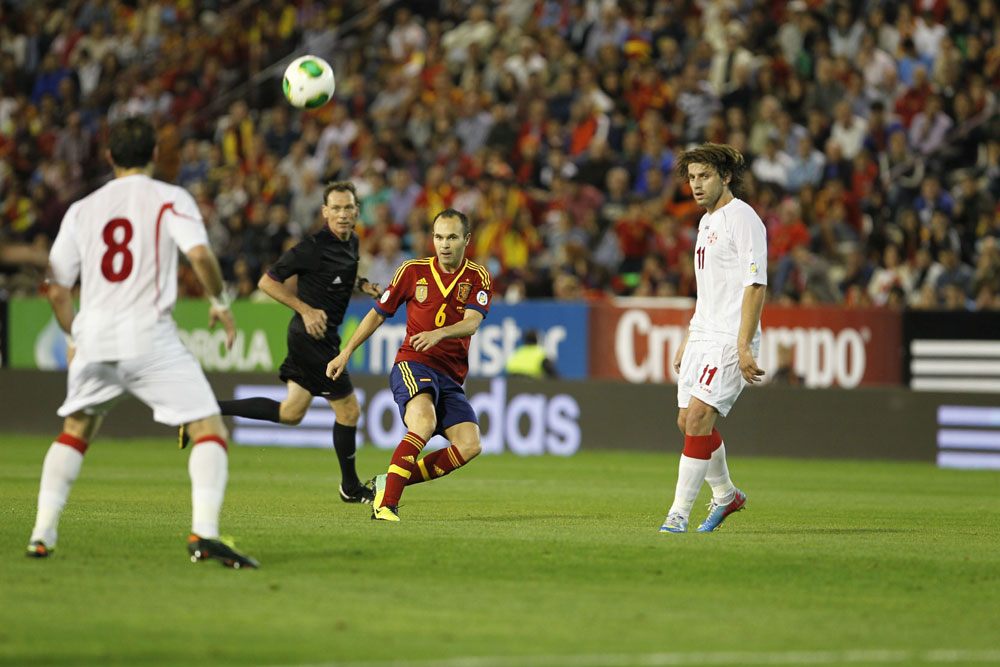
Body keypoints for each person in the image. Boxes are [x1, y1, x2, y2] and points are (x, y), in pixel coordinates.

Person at [26, 117, 257, 568]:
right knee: (209, 429)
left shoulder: (82, 209)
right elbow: (199, 254)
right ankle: (204, 533)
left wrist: (72, 336)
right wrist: (220, 301)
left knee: (75, 431)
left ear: (110, 156)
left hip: (93, 338)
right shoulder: (170, 198)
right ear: (154, 154)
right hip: (149, 336)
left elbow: (55, 288)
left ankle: (41, 534)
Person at [180, 181, 383, 504]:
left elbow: (340, 274)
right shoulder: (312, 246)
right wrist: (305, 309)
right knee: (349, 410)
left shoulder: (352, 241)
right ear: (325, 211)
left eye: (348, 207)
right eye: (336, 208)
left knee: (291, 412)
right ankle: (351, 487)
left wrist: (364, 285)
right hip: (311, 338)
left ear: (357, 210)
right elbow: (267, 282)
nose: (343, 214)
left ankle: (203, 409)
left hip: (321, 337)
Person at [326, 208, 491, 521]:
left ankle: (387, 482)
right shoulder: (412, 271)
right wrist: (346, 352)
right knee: (423, 424)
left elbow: (471, 323)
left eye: (452, 237)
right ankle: (386, 506)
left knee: (469, 445)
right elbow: (378, 314)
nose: (444, 244)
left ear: (466, 240)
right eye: (439, 237)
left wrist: (438, 333)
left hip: (450, 377)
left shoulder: (477, 276)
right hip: (413, 364)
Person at [660, 143, 767, 534]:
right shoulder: (706, 223)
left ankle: (677, 515)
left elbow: (755, 284)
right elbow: (710, 291)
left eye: (704, 176)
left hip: (730, 336)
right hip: (704, 333)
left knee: (700, 416)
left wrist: (743, 344)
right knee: (686, 421)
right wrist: (690, 335)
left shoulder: (744, 218)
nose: (696, 185)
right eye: (691, 177)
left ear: (726, 176)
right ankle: (726, 494)